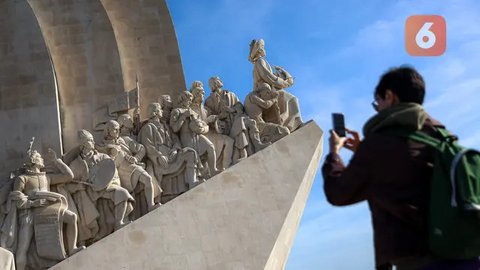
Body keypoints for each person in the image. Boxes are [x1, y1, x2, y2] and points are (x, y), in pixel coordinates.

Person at [322, 66, 480, 270]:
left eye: (377, 102)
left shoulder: (379, 144)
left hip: (421, 263)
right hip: (467, 258)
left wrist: (334, 153)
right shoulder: (440, 135)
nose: (377, 108)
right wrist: (364, 151)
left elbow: (338, 192)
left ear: (389, 96)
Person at [3, 145, 84, 270]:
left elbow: (69, 176)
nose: (42, 159)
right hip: (29, 214)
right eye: (40, 157)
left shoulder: (46, 177)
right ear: (33, 161)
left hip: (47, 210)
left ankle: (72, 248)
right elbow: (17, 199)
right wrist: (32, 204)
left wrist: (57, 161)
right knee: (23, 247)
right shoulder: (22, 178)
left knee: (72, 217)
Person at [138, 103, 200, 203]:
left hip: (172, 154)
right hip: (160, 159)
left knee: (190, 153)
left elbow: (175, 139)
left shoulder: (165, 126)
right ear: (155, 112)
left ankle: (192, 182)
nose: (162, 111)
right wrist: (159, 156)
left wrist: (175, 149)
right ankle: (157, 200)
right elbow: (148, 146)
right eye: (160, 110)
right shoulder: (148, 127)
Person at [100, 120, 160, 215]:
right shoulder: (103, 146)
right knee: (124, 196)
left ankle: (151, 205)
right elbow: (106, 165)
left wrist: (136, 158)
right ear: (108, 131)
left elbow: (141, 148)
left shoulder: (122, 140)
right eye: (114, 130)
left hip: (131, 166)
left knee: (148, 178)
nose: (117, 132)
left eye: (118, 129)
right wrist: (113, 155)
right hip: (120, 173)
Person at [248, 39, 303, 132]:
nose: (264, 49)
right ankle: (292, 124)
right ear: (259, 50)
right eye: (262, 47)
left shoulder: (261, 62)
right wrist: (283, 82)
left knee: (288, 98)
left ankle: (291, 123)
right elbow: (268, 76)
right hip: (265, 91)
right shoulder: (260, 61)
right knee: (292, 99)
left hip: (268, 89)